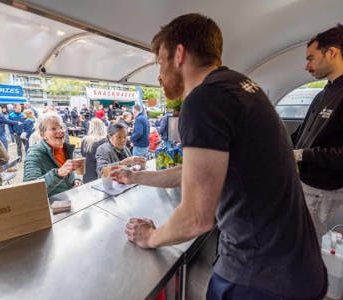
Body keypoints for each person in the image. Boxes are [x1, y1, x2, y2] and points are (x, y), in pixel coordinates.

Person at [111, 13, 326, 300]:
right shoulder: (239, 87)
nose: (159, 76)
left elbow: (196, 219)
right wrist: (136, 177)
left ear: (179, 54)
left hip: (258, 277)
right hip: (297, 268)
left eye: (160, 62)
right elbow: (202, 171)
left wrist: (150, 237)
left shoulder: (203, 101)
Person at [291, 24, 343, 242]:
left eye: (311, 58)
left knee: (306, 247)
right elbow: (301, 135)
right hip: (303, 183)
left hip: (323, 191)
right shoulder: (324, 92)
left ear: (331, 52)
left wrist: (302, 154)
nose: (307, 66)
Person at [23, 113, 82, 201]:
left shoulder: (65, 149)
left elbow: (69, 173)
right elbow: (31, 190)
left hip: (69, 201)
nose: (60, 131)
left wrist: (75, 180)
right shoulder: (34, 154)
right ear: (43, 135)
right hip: (52, 207)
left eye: (61, 127)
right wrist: (58, 174)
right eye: (53, 128)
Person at [80, 118, 107, 183]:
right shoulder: (105, 141)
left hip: (88, 173)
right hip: (101, 175)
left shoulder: (85, 140)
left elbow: (83, 155)